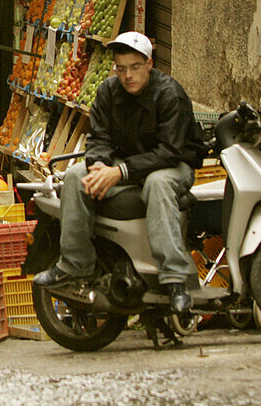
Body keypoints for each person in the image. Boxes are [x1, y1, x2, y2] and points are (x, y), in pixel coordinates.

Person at [33, 31, 206, 314]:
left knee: (158, 184)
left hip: (171, 166)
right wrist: (99, 165)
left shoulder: (170, 94)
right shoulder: (108, 92)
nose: (128, 76)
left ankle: (175, 279)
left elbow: (170, 152)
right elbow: (98, 138)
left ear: (149, 64)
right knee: (77, 176)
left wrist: (120, 172)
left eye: (135, 68)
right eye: (121, 68)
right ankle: (74, 264)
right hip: (122, 165)